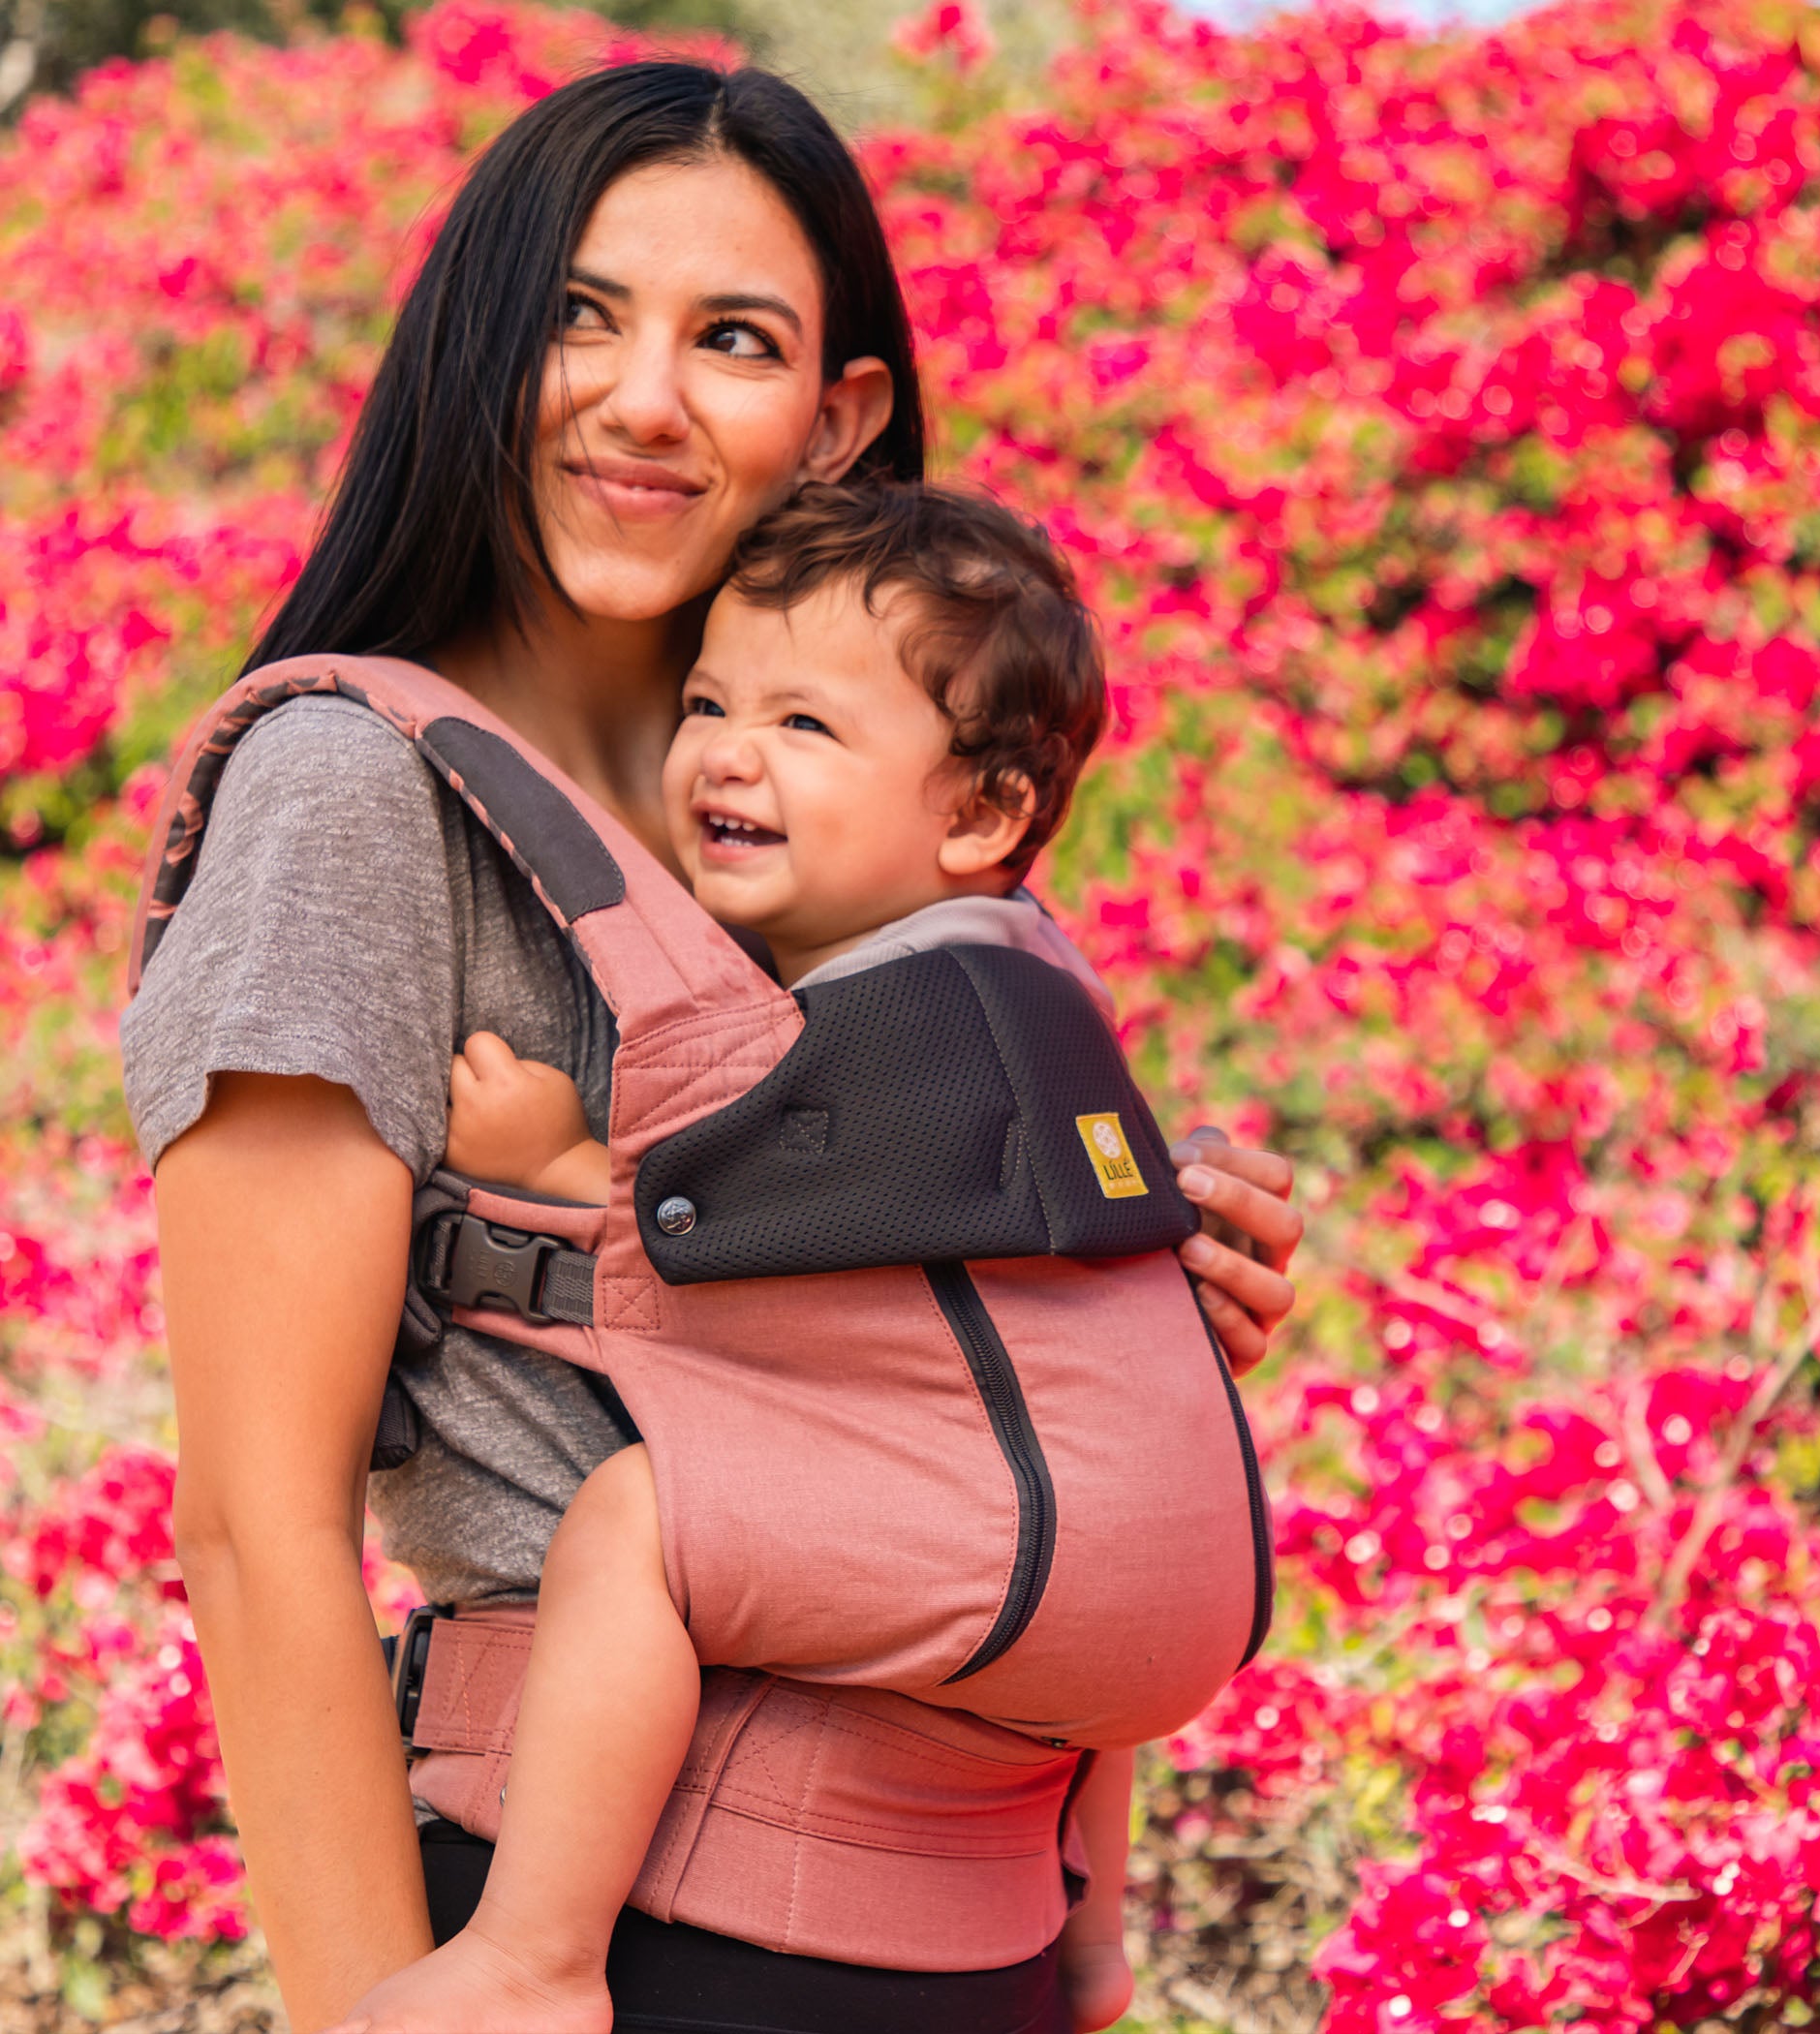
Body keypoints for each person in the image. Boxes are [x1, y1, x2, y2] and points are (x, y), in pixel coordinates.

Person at [123, 60, 1302, 2034]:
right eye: (577, 317)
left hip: (976, 1930)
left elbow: (902, 1310)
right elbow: (258, 1525)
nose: (641, 397)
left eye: (730, 339)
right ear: (478, 353)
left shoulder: (818, 809)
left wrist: (1135, 1288)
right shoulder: (352, 796)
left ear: (839, 417)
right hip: (627, 1935)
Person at [336, 478, 1224, 2034]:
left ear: (978, 815)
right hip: (1162, 1574)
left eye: (806, 727)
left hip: (1024, 1554)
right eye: (706, 702)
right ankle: (1090, 1947)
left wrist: (554, 1161)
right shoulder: (1036, 986)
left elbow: (756, 1227)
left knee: (636, 1526)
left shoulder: (918, 998)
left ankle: (530, 1960)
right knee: (1056, 1651)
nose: (725, 754)